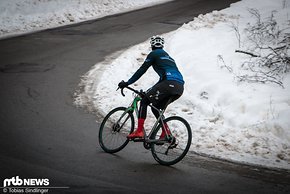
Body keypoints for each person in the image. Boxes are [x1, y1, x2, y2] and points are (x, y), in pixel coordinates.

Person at [118, 35, 184, 139]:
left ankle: (139, 131)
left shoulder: (154, 54)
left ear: (152, 45)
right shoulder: (169, 58)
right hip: (179, 87)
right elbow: (164, 80)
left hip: (168, 84)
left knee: (144, 101)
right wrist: (149, 91)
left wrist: (128, 82)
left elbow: (142, 70)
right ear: (162, 46)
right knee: (156, 107)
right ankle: (165, 133)